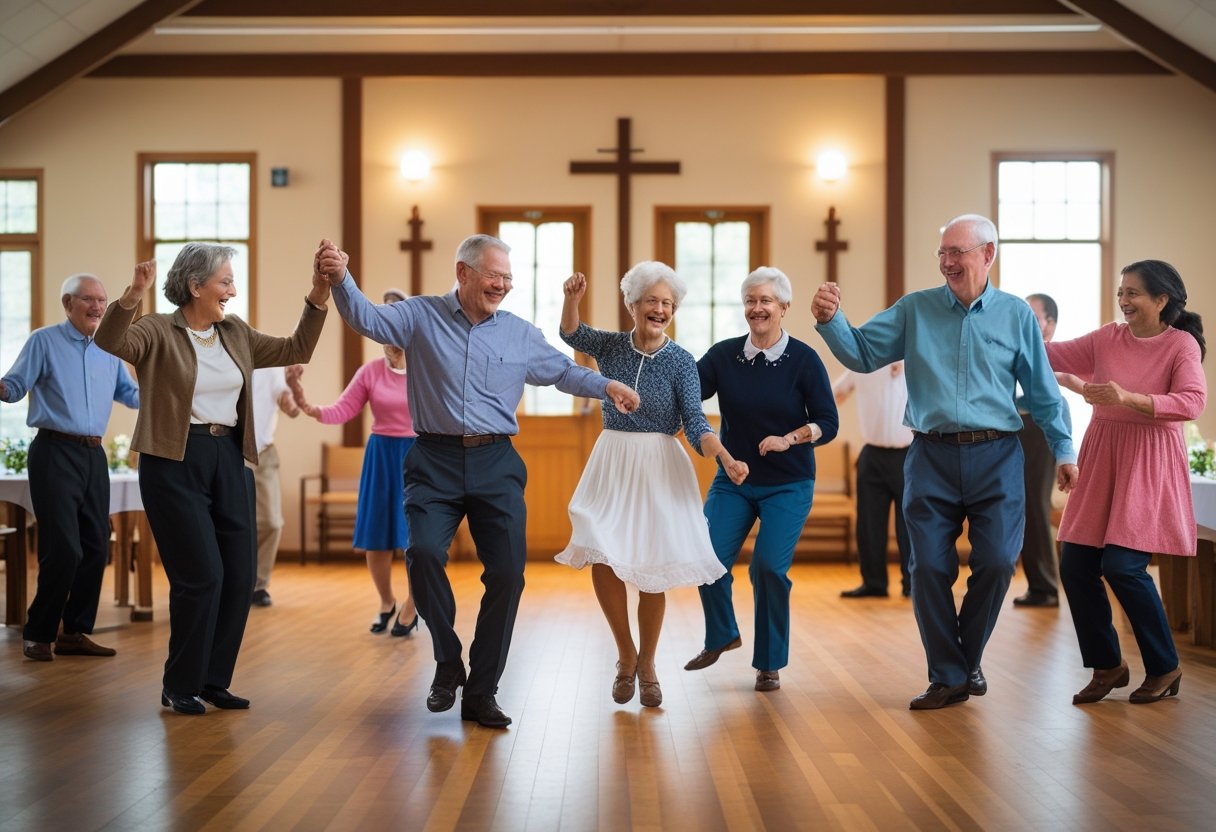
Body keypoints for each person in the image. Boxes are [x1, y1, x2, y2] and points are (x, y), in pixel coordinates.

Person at [316, 235, 640, 729]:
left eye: (508, 278)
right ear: (463, 273)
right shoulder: (419, 316)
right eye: (495, 276)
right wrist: (341, 278)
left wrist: (606, 386)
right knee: (422, 554)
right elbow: (366, 318)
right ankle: (449, 663)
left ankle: (482, 691)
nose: (503, 285)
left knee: (508, 575)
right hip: (433, 460)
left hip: (496, 463)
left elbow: (561, 374)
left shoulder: (518, 333)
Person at [811, 213, 1078, 710]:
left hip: (998, 454)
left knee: (998, 562)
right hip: (930, 454)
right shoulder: (916, 309)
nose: (948, 262)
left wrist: (1064, 449)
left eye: (958, 252)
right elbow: (864, 353)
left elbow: (1043, 394)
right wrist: (831, 322)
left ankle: (962, 660)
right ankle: (949, 675)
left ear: (988, 254)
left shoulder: (1017, 315)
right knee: (928, 567)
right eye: (942, 253)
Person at [94, 245, 327, 715]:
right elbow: (110, 343)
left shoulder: (235, 332)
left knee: (239, 576)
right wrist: (132, 296)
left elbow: (295, 348)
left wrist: (320, 292)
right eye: (224, 282)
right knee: (202, 577)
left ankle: (213, 679)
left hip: (229, 457)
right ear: (195, 286)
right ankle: (179, 683)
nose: (233, 290)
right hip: (173, 460)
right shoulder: (157, 329)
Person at [556, 265, 748, 708]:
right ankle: (625, 653)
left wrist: (723, 455)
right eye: (652, 301)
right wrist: (571, 298)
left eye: (667, 304)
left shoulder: (682, 361)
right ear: (633, 304)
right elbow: (571, 334)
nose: (659, 309)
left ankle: (647, 664)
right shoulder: (609, 345)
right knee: (599, 548)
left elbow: (697, 422)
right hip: (613, 460)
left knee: (651, 568)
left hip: (660, 464)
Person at [1045, 260, 1206, 705]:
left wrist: (1126, 397)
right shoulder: (1106, 337)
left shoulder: (1181, 346)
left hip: (1148, 461)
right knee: (1075, 564)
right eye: (1121, 292)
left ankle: (1164, 665)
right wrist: (1016, 333)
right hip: (1102, 455)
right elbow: (1051, 354)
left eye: (1133, 293)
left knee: (1122, 566)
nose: (1124, 301)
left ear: (1162, 299)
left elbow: (1192, 402)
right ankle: (1108, 666)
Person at [684, 266, 837, 692]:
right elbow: (686, 390)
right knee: (705, 555)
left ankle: (769, 663)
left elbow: (828, 421)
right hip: (733, 481)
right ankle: (722, 635)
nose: (757, 308)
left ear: (784, 308)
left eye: (766, 301)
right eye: (750, 300)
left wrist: (791, 438)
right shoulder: (725, 355)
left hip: (788, 483)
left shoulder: (804, 360)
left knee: (768, 568)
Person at [1, 274, 140, 661]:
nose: (97, 307)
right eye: (88, 300)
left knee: (96, 547)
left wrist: (169, 391)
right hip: (53, 452)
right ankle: (39, 632)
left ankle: (74, 632)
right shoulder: (43, 341)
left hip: (93, 457)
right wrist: (3, 388)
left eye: (102, 300)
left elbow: (131, 396)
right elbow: (15, 385)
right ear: (68, 303)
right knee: (63, 548)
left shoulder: (110, 350)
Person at [291, 289, 419, 637]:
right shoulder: (370, 372)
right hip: (380, 456)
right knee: (377, 537)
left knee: (417, 540)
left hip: (418, 458)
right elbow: (341, 411)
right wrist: (307, 405)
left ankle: (412, 605)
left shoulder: (426, 368)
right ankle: (385, 602)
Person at [833, 362, 913, 599]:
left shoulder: (913, 361)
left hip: (907, 454)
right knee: (868, 523)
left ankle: (912, 583)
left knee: (909, 525)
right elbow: (834, 394)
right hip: (871, 454)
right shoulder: (860, 367)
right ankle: (874, 583)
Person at [1013, 293, 1072, 608]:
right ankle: (1037, 584)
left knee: (1034, 503)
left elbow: (1051, 401)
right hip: (1019, 427)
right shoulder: (1018, 349)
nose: (1025, 322)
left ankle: (1046, 586)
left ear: (1049, 325)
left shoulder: (1052, 353)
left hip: (1041, 429)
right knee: (1022, 504)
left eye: (1033, 317)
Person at [249, 364, 303, 608]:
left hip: (263, 455)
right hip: (228, 450)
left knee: (271, 521)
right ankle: (231, 584)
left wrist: (293, 387)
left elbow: (290, 408)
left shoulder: (270, 364)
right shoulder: (220, 355)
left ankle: (258, 585)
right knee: (230, 523)